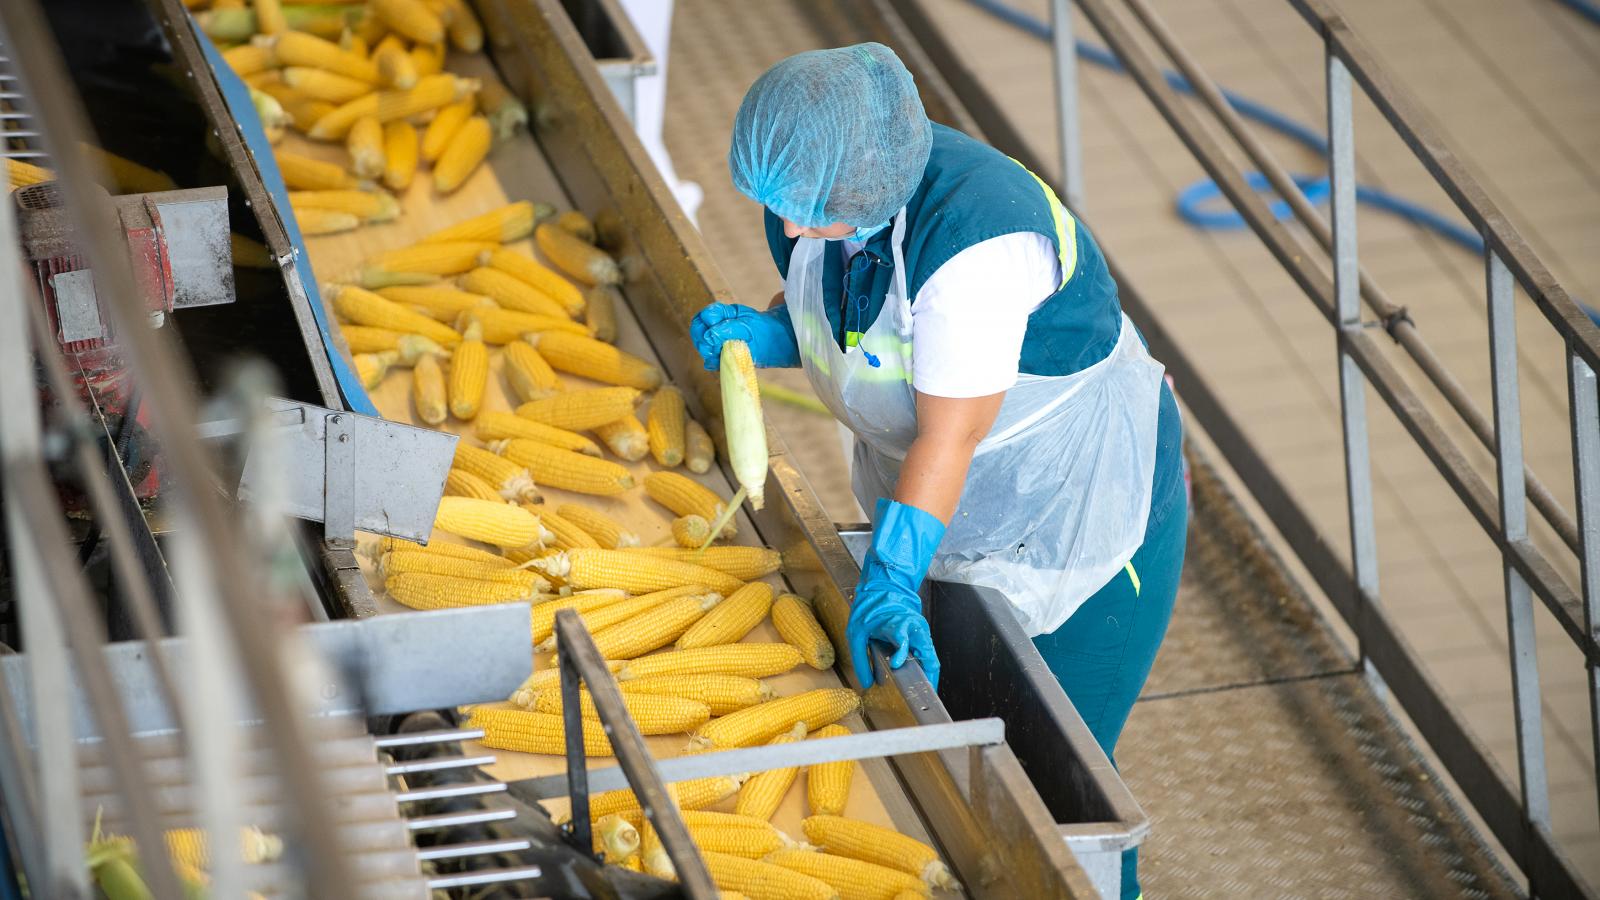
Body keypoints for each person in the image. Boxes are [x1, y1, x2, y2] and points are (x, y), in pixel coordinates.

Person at [690, 44, 1186, 899]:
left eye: (808, 216)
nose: (791, 229)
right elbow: (848, 302)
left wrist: (888, 573)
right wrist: (779, 335)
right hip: (958, 507)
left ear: (864, 192)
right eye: (784, 213)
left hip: (1070, 516)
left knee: (1061, 791)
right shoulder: (820, 194)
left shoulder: (975, 245)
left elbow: (946, 441)